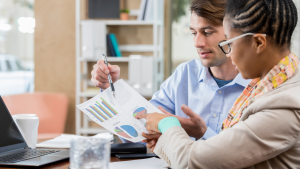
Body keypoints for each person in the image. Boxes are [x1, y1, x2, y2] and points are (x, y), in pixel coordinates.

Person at [137, 0, 300, 168]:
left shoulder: (284, 105)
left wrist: (167, 124)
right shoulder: (267, 85)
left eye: (229, 43)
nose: (228, 54)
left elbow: (191, 161)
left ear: (258, 43)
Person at [91, 0, 250, 145]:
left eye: (207, 32)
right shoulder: (185, 74)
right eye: (194, 33)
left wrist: (202, 133)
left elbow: (246, 154)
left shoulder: (260, 86)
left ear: (233, 32)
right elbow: (139, 132)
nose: (197, 43)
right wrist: (112, 89)